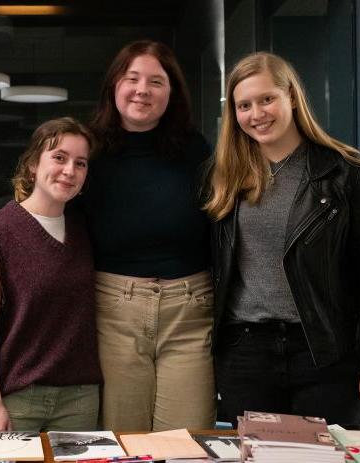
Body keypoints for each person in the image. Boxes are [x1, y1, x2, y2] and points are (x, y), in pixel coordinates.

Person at [205, 52, 360, 426]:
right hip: (247, 353)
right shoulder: (221, 178)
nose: (256, 114)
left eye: (266, 99)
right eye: (244, 105)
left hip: (325, 351)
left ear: (291, 96)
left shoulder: (347, 171)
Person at [82, 40, 215, 431]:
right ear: (114, 86)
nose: (143, 90)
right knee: (124, 443)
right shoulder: (89, 151)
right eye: (132, 78)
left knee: (187, 444)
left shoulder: (195, 149)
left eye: (156, 81)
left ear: (171, 93)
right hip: (114, 309)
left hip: (190, 310)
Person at [0, 117, 102, 432]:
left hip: (80, 397)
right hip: (16, 397)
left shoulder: (84, 232)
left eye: (80, 163)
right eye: (59, 157)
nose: (70, 170)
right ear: (33, 165)